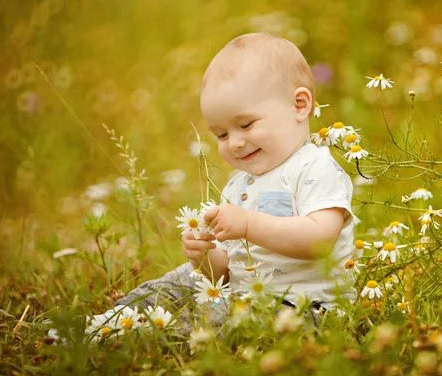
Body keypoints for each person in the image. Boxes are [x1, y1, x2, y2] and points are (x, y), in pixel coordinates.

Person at [116, 33, 357, 328]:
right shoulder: (237, 186)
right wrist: (205, 256)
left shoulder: (316, 167)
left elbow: (319, 240)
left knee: (228, 319)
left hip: (307, 308)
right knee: (180, 281)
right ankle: (112, 321)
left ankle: (161, 333)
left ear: (299, 105)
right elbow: (228, 272)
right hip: (245, 296)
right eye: (222, 134)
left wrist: (247, 224)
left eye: (246, 125)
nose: (236, 143)